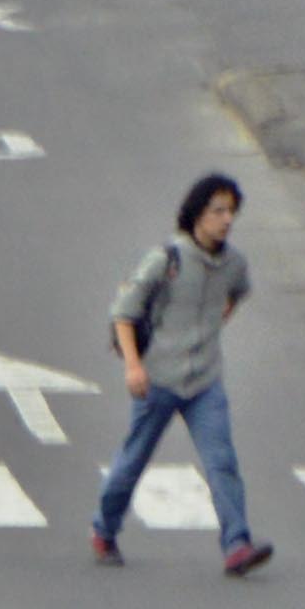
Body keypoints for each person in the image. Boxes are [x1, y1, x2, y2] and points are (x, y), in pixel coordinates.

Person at [97, 171, 265, 576]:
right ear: (196, 215)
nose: (226, 220)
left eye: (231, 212)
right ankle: (105, 528)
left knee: (221, 461)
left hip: (205, 382)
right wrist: (134, 366)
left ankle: (237, 544)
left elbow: (239, 292)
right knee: (132, 461)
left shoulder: (233, 264)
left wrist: (216, 321)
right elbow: (123, 312)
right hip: (158, 380)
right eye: (217, 211)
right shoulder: (166, 261)